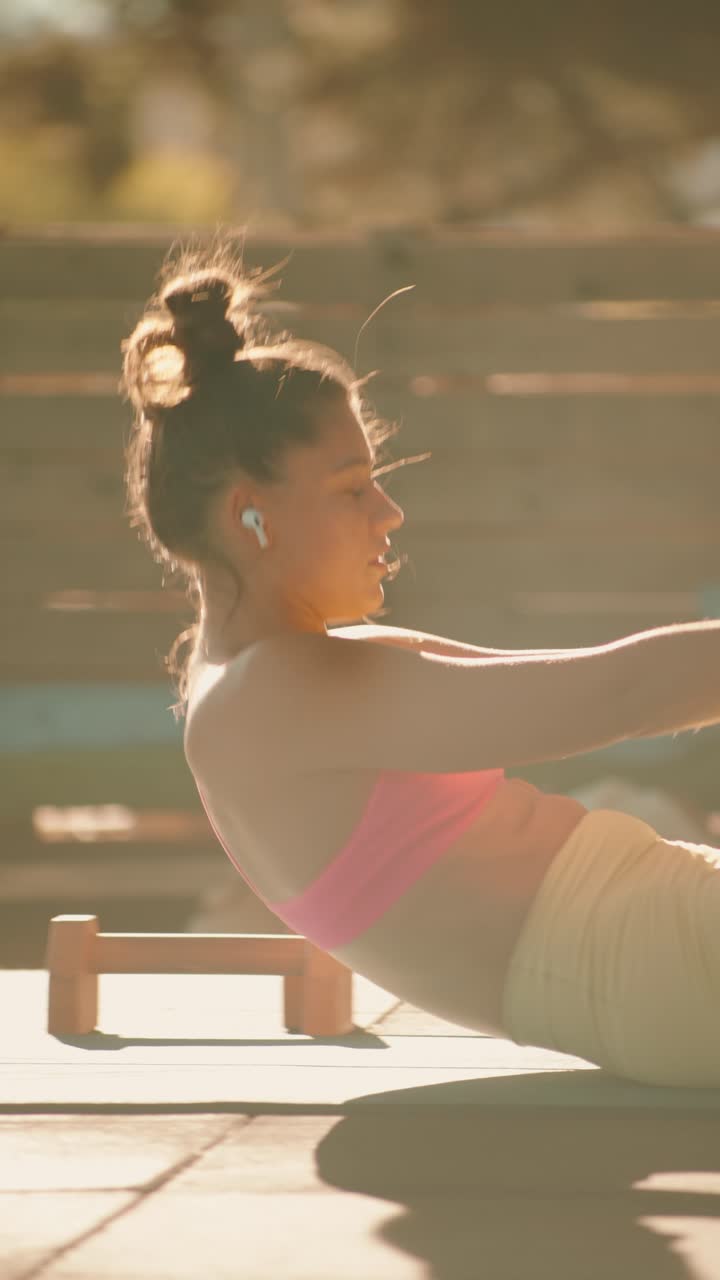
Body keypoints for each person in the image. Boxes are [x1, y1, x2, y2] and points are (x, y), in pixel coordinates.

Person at [121, 238, 720, 1087]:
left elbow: (592, 676)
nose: (389, 512)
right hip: (673, 964)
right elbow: (617, 693)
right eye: (352, 487)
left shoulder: (281, 677)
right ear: (249, 513)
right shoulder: (278, 692)